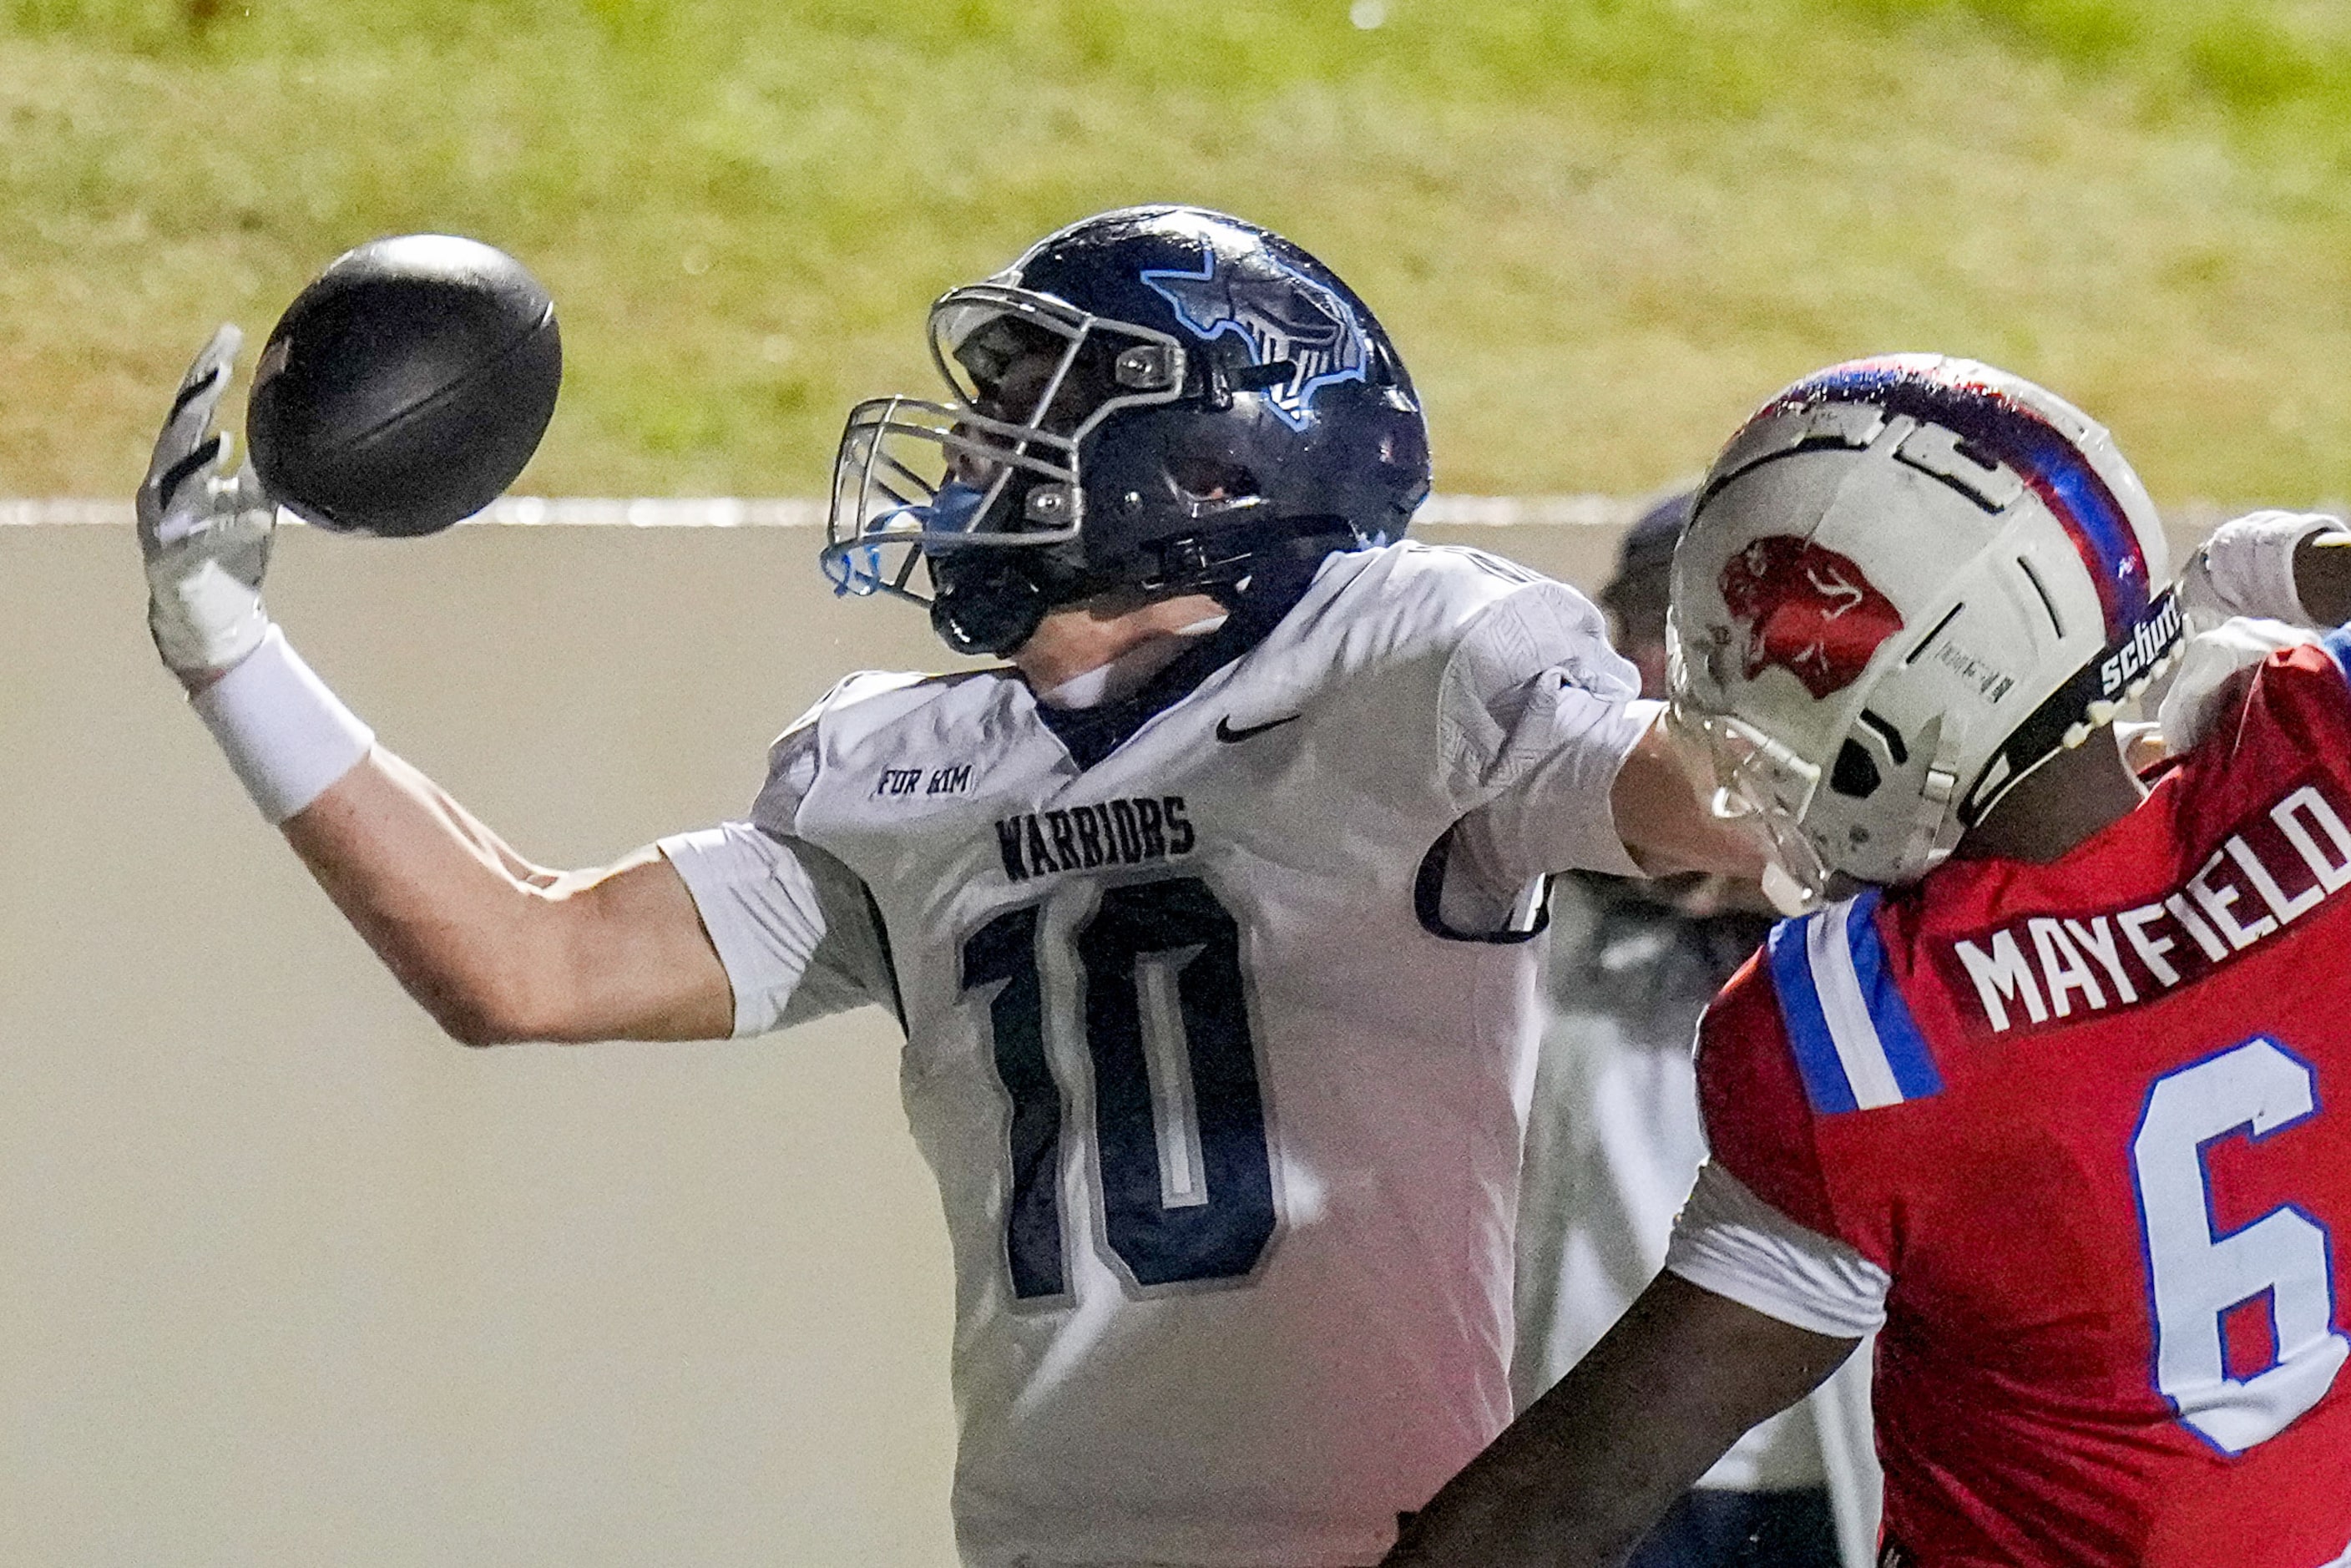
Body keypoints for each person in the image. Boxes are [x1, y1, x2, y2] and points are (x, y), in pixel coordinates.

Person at [136, 205, 1756, 1568]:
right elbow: (527, 962)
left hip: (1371, 1540)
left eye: (1031, 404)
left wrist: (1807, 669)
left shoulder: (1404, 658)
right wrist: (230, 652)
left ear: (1209, 453)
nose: (972, 451)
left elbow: (1692, 808)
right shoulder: (909, 767)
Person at [1388, 356, 2351, 1568]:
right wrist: (2280, 566)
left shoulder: (1867, 1021)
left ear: (1926, 707)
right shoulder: (2318, 751)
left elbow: (1578, 1486)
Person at [1513, 492, 1876, 1568]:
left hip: (1828, 1458)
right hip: (1596, 1456)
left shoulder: (1891, 904)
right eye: (1661, 635)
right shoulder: (1531, 863)